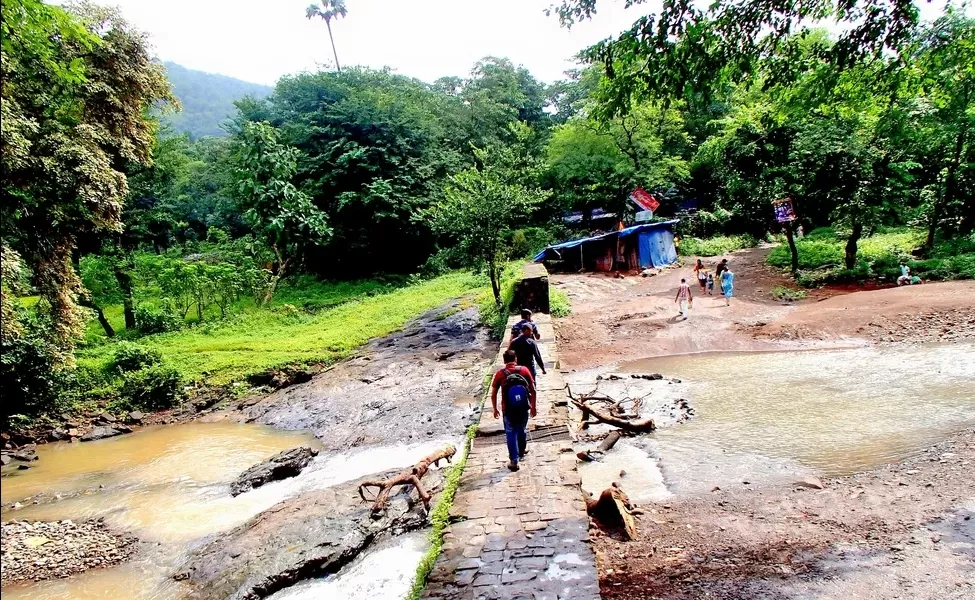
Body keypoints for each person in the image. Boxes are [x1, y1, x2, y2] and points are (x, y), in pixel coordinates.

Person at [491, 349, 537, 471]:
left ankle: (514, 461)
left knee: (510, 433)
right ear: (515, 359)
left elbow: (494, 393)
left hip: (508, 409)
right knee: (521, 428)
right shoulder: (524, 370)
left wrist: (495, 408)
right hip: (523, 407)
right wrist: (533, 406)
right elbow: (533, 390)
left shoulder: (500, 374)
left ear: (504, 360)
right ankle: (521, 450)